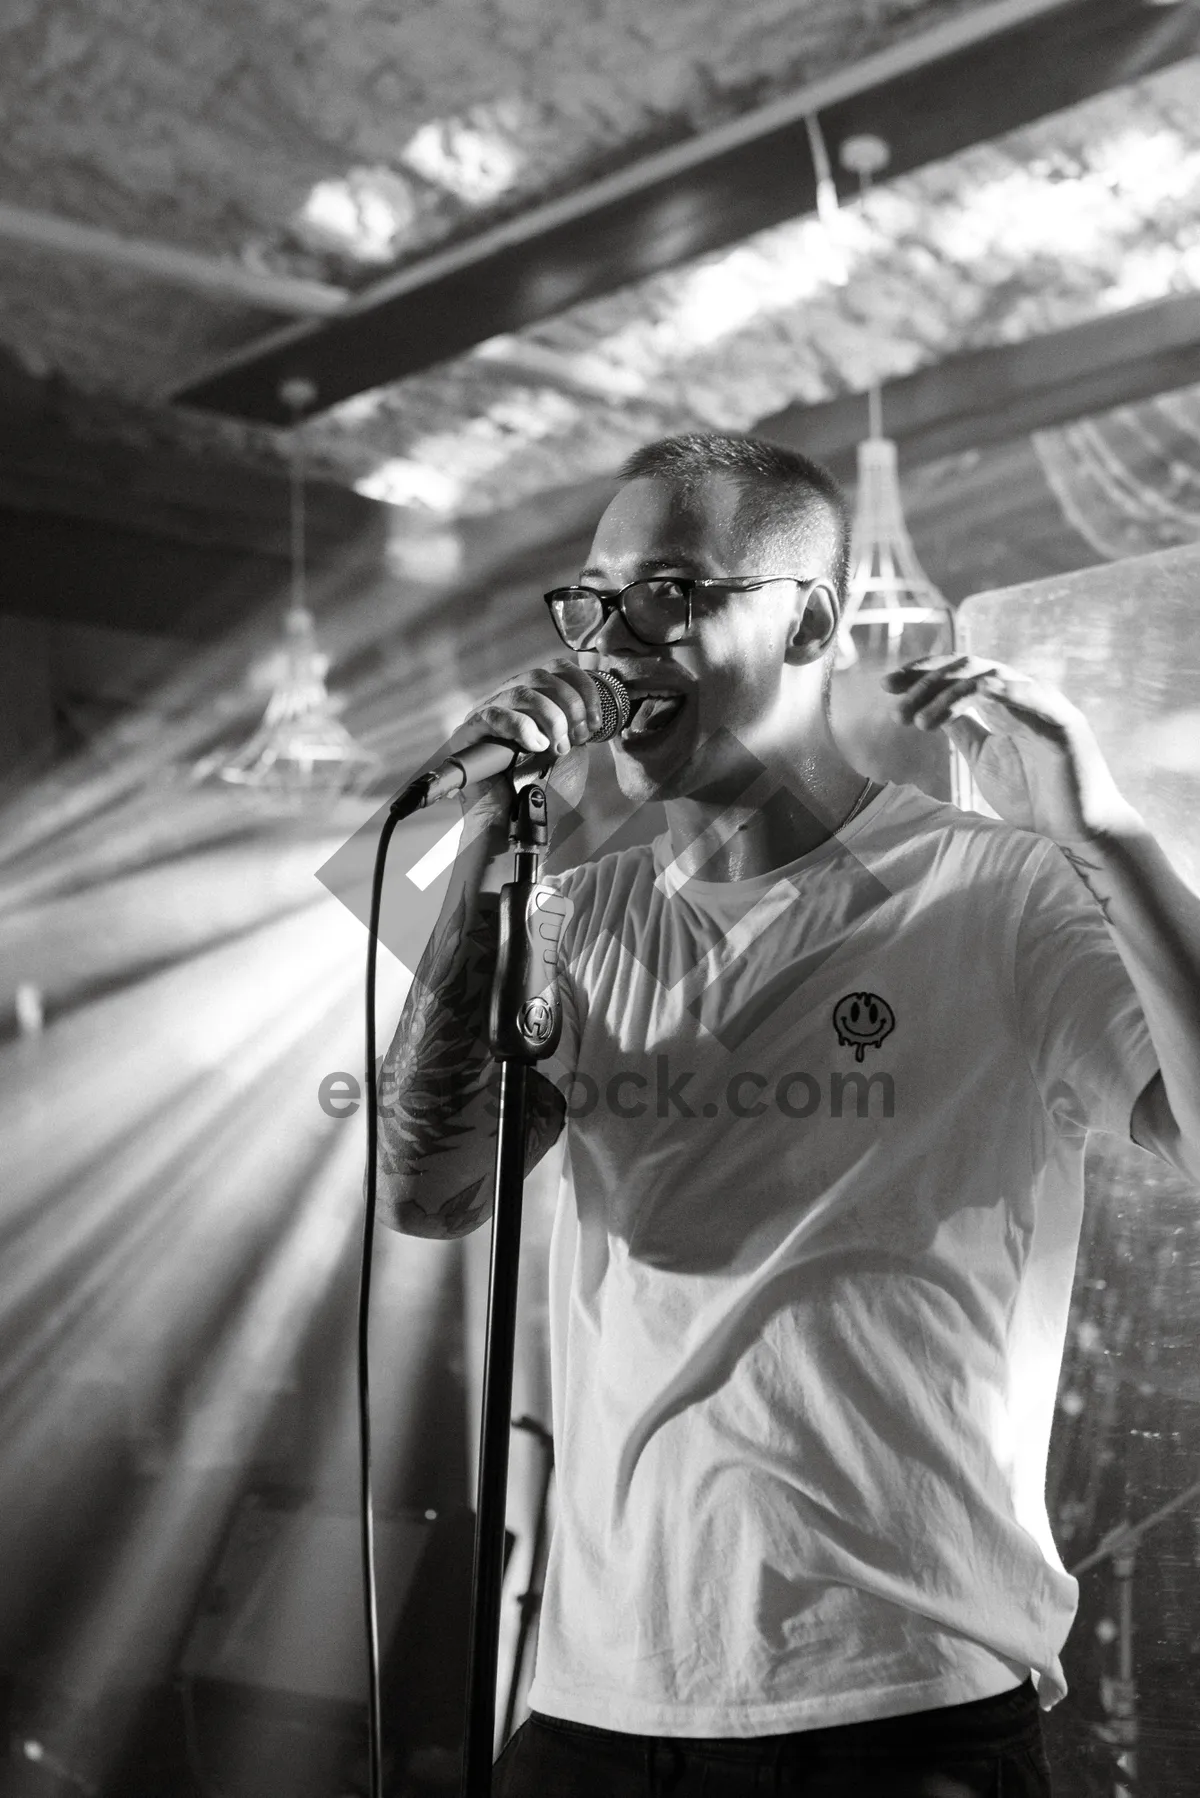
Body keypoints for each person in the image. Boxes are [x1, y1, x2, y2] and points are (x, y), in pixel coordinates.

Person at [377, 434, 1200, 1796]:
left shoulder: (990, 884)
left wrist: (1106, 834)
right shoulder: (575, 912)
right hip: (600, 1694)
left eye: (669, 596)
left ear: (809, 616)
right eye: (595, 601)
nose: (614, 644)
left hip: (898, 1689)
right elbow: (429, 1193)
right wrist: (483, 860)